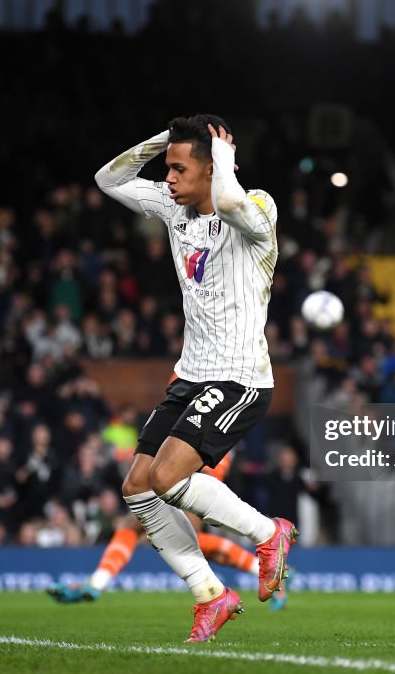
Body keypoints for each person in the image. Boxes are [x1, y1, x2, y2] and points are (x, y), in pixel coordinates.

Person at [92, 114, 296, 642]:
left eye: (180, 168)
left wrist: (222, 157)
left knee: (167, 479)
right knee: (137, 486)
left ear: (212, 169)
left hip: (239, 378)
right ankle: (211, 594)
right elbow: (108, 179)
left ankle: (267, 532)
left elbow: (228, 202)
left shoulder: (258, 209)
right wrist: (165, 141)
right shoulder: (172, 206)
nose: (169, 178)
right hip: (192, 377)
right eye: (167, 168)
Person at [47, 451, 289, 611]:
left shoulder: (212, 385)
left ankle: (269, 566)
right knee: (149, 529)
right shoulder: (190, 383)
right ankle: (97, 583)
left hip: (196, 467)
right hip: (180, 464)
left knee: (185, 538)